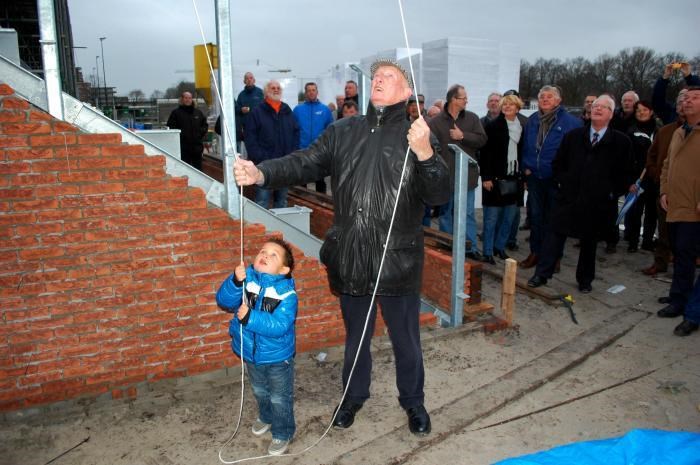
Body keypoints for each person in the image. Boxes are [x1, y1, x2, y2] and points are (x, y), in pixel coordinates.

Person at [233, 59, 450, 436]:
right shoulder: (343, 130)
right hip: (351, 254)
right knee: (356, 337)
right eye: (377, 76)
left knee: (406, 340)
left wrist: (426, 154)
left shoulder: (420, 134)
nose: (380, 80)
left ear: (406, 92)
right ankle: (352, 396)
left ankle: (414, 402)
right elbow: (304, 162)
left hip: (397, 258)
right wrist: (261, 171)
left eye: (390, 77)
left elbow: (439, 193)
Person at [527, 95, 633, 293]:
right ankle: (542, 274)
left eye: (603, 107)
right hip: (568, 198)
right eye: (595, 106)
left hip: (596, 202)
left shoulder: (621, 142)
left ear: (611, 114)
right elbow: (558, 164)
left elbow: (625, 174)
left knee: (589, 242)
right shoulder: (574, 136)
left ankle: (585, 280)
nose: (597, 109)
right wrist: (563, 183)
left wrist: (610, 193)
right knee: (554, 235)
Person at [216, 238, 297, 456]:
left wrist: (250, 318)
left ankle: (283, 432)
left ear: (284, 269)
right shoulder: (247, 279)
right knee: (260, 391)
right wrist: (234, 281)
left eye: (273, 255)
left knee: (280, 397)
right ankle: (266, 416)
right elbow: (224, 301)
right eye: (263, 251)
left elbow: (280, 326)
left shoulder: (287, 294)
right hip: (251, 353)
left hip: (278, 358)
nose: (265, 255)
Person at [520, 85, 582, 268]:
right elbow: (526, 146)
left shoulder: (572, 122)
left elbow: (575, 154)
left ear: (558, 100)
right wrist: (526, 168)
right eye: (542, 97)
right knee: (536, 218)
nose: (545, 99)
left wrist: (566, 177)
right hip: (535, 177)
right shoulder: (532, 120)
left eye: (549, 96)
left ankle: (554, 257)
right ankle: (535, 253)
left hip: (556, 180)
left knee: (554, 220)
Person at [657, 86, 700, 337]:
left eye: (695, 98)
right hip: (676, 205)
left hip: (694, 208)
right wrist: (664, 191)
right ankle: (678, 299)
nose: (688, 102)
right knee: (682, 255)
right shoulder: (679, 132)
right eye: (686, 98)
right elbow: (666, 165)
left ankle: (693, 314)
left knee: (689, 255)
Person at [428, 84, 487, 259]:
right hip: (446, 178)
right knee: (446, 214)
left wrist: (463, 136)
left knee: (467, 213)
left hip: (467, 177)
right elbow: (430, 147)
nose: (466, 100)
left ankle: (470, 249)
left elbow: (483, 139)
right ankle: (448, 246)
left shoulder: (472, 118)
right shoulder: (436, 122)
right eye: (463, 98)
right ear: (453, 99)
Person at [641, 91, 687, 276]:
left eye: (688, 101)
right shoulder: (667, 131)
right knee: (664, 229)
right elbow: (652, 155)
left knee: (688, 234)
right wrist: (655, 173)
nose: (684, 105)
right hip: (665, 188)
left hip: (690, 192)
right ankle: (660, 262)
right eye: (680, 102)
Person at [479, 93, 527, 264]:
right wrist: (486, 177)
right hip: (495, 178)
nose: (507, 107)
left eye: (511, 105)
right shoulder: (493, 126)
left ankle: (499, 247)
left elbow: (523, 152)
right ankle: (487, 251)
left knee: (509, 217)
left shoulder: (522, 127)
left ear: (517, 108)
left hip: (513, 178)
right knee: (491, 218)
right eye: (504, 104)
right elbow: (484, 154)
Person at [245, 80, 299, 209]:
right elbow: (250, 138)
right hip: (264, 165)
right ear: (266, 92)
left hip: (284, 164)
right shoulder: (257, 112)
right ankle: (260, 228)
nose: (276, 90)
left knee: (282, 201)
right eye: (273, 88)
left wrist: (293, 153)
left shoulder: (287, 110)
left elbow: (296, 132)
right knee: (262, 202)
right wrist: (260, 157)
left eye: (278, 88)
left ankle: (279, 229)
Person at [624, 100, 660, 252]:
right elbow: (626, 157)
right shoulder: (631, 130)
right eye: (638, 110)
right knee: (635, 211)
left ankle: (647, 240)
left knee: (652, 211)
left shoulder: (659, 130)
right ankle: (632, 241)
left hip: (654, 177)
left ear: (651, 111)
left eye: (645, 110)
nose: (641, 112)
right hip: (637, 177)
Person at [293, 82, 334, 193]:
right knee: (302, 181)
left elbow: (330, 131)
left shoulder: (325, 110)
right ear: (306, 93)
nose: (311, 92)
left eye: (313, 90)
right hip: (302, 151)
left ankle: (321, 205)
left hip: (319, 151)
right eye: (309, 90)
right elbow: (293, 130)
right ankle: (302, 205)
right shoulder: (297, 110)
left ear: (317, 92)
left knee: (319, 181)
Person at [166, 91, 209, 170]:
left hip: (197, 148)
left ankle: (198, 182)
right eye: (186, 98)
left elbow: (205, 125)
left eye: (189, 98)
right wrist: (181, 136)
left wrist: (199, 134)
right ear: (182, 99)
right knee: (184, 170)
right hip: (183, 148)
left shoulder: (198, 113)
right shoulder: (176, 113)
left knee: (198, 170)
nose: (188, 100)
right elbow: (170, 127)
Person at [235, 72, 265, 151]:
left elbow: (266, 107)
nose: (249, 80)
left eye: (251, 78)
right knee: (249, 149)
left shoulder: (261, 93)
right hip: (247, 128)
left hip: (260, 127)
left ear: (254, 80)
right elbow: (237, 109)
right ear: (244, 81)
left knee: (261, 148)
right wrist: (241, 110)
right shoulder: (241, 95)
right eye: (247, 78)